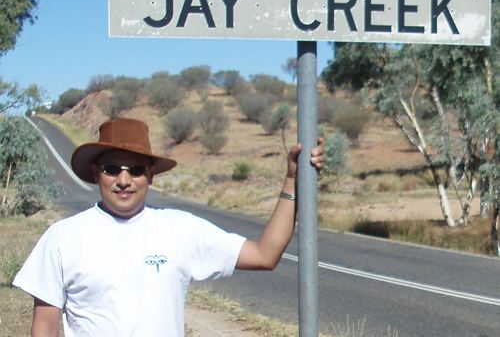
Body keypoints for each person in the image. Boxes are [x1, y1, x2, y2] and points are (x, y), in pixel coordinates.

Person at [14, 117, 323, 337]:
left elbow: (264, 254)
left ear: (151, 175)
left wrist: (292, 180)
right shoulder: (63, 237)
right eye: (112, 169)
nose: (124, 180)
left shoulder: (179, 230)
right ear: (96, 173)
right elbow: (44, 326)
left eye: (135, 170)